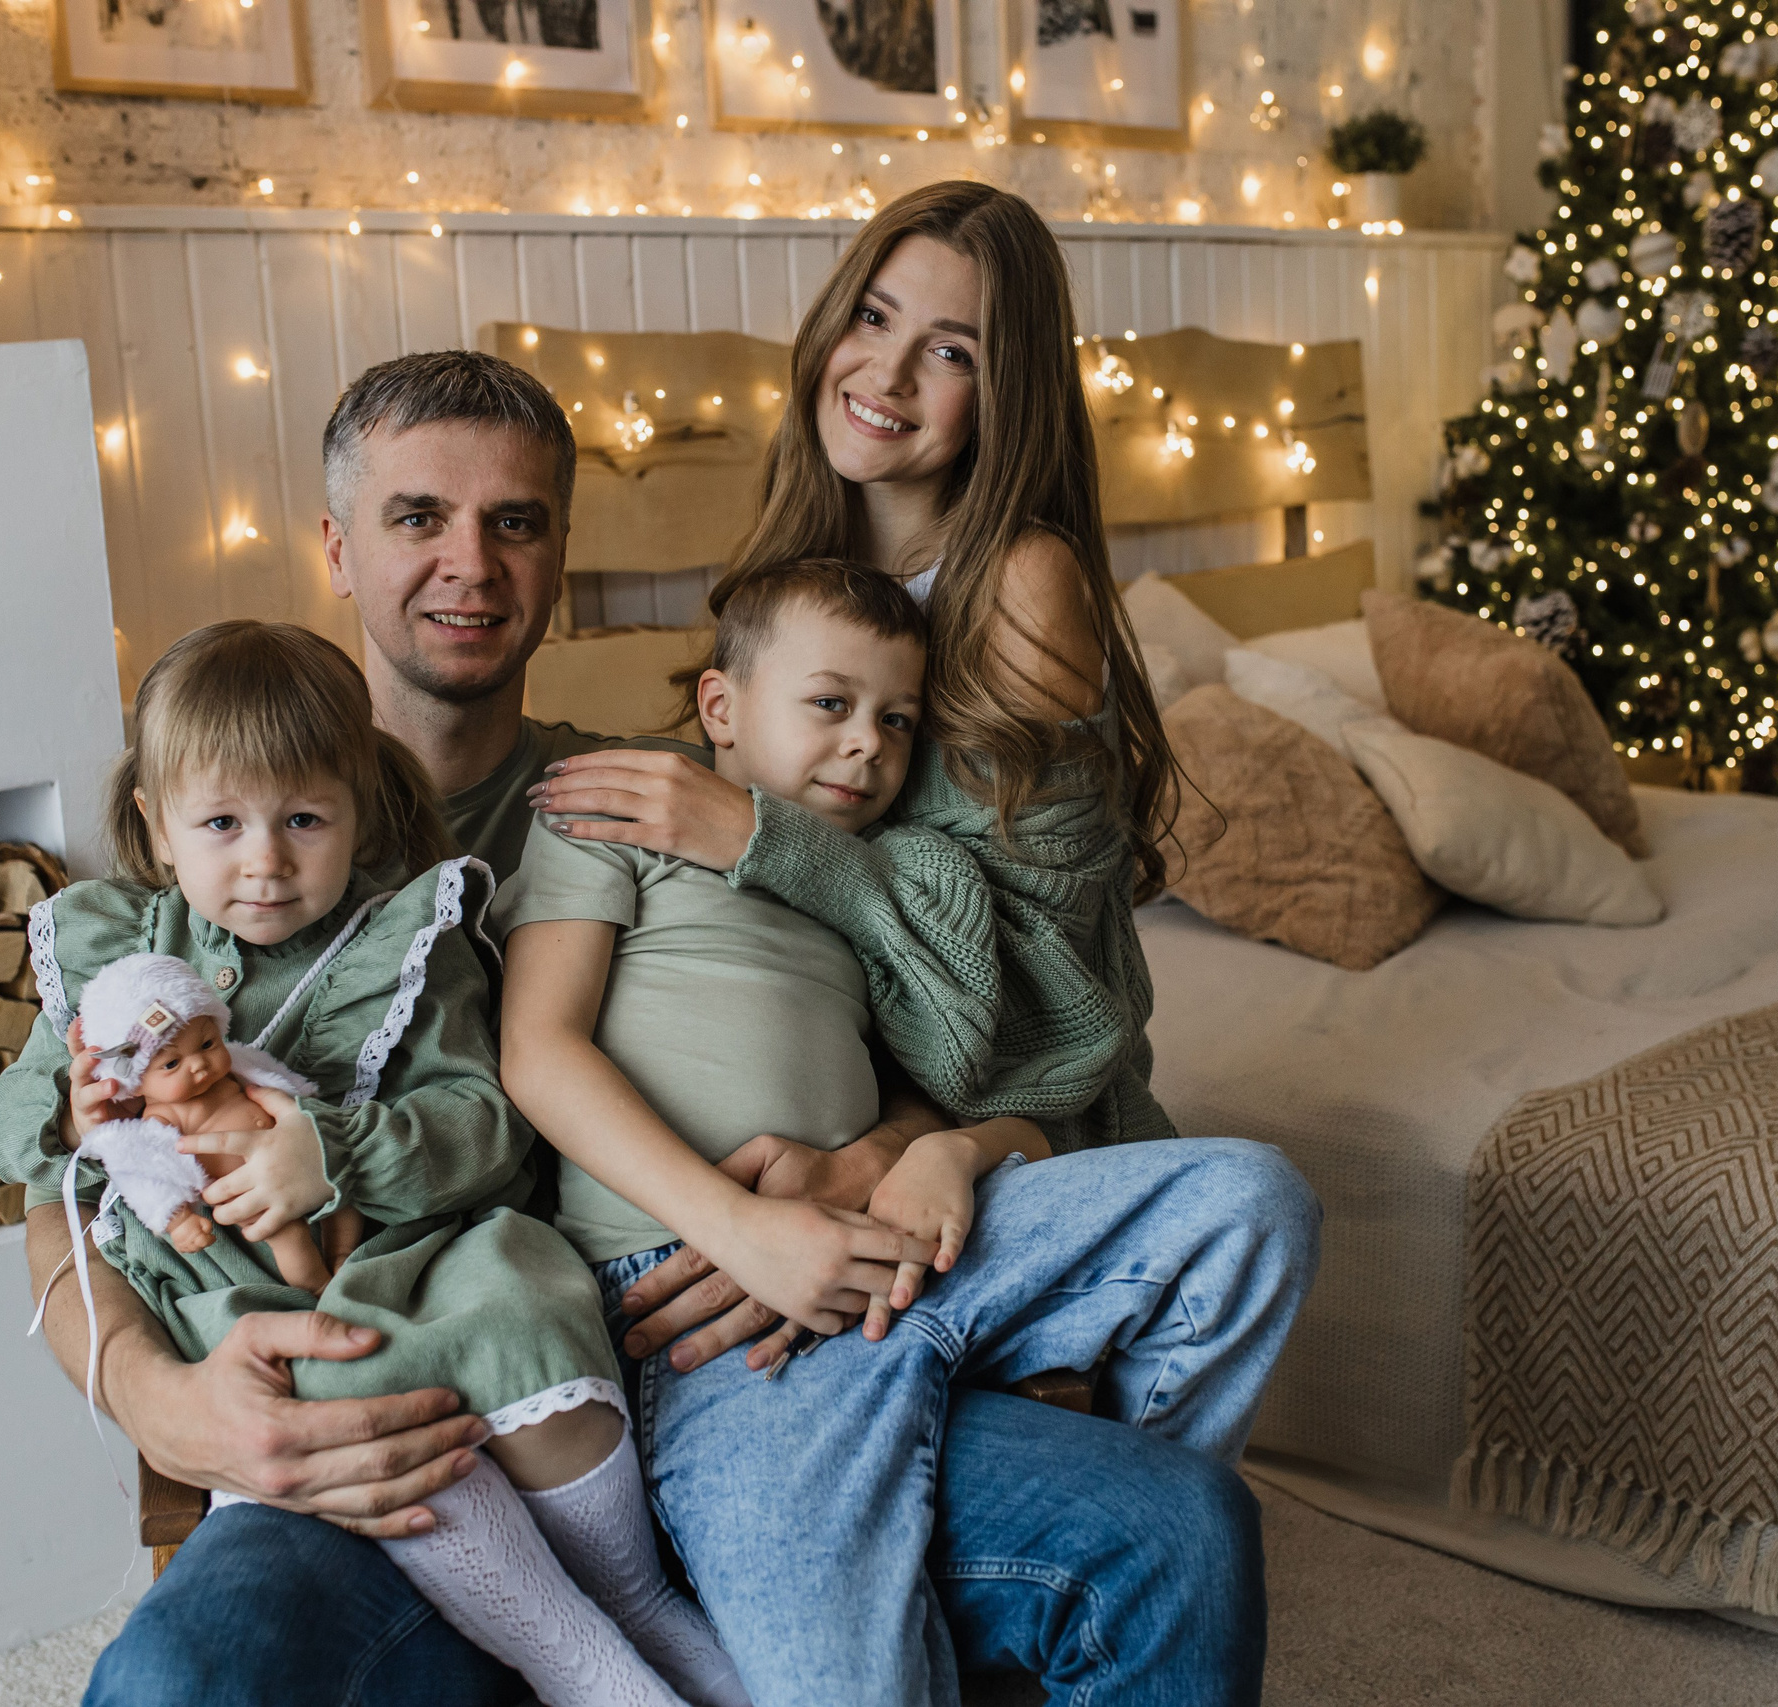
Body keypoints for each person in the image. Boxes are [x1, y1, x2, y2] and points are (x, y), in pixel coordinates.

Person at [60, 347, 1284, 1706]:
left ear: (561, 556)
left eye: (514, 520)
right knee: (180, 1676)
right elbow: (63, 1192)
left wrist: (869, 1155)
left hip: (710, 1356)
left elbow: (902, 1011)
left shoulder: (652, 790)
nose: (470, 559)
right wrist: (151, 1393)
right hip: (401, 1422)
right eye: (419, 516)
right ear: (338, 547)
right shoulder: (209, 846)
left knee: (1178, 1532)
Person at [519, 183, 1323, 1704]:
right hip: (809, 1194)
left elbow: (1048, 1007)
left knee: (1247, 1220)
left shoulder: (1021, 584)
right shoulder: (788, 590)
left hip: (1002, 1131)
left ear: (1005, 395)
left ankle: (1081, 1465)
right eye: (874, 318)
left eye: (949, 350)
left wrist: (894, 1141)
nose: (885, 374)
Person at [0, 619, 743, 1706]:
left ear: (362, 802)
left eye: (305, 817)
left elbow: (486, 1121)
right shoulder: (115, 957)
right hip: (244, 1295)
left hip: (422, 1253)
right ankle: (579, 1665)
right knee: (347, 1401)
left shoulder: (408, 935)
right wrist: (70, 1111)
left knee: (517, 1308)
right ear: (157, 826)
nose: (265, 860)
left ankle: (630, 1604)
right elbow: (19, 1150)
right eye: (220, 822)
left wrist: (332, 1153)